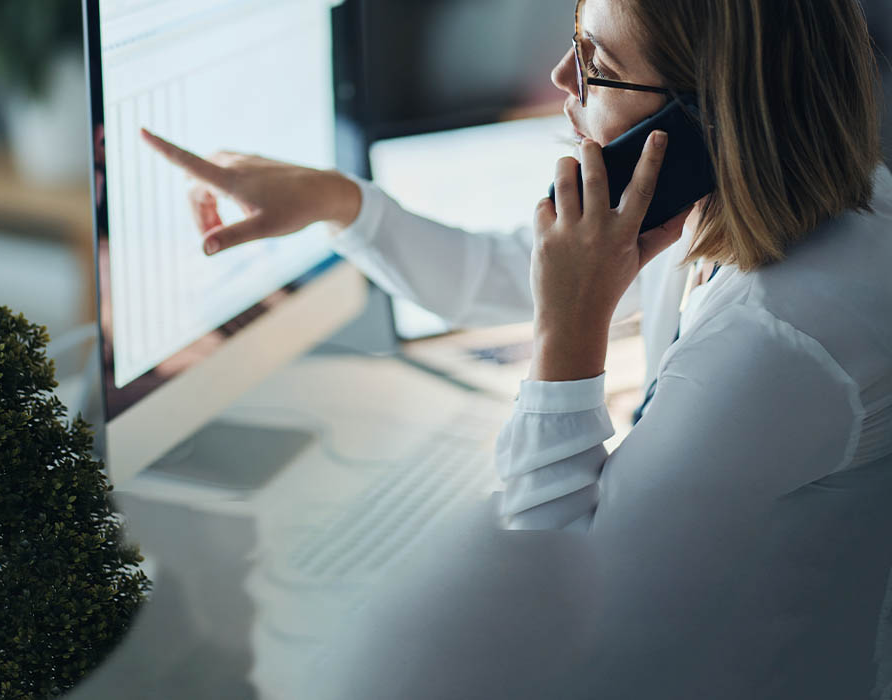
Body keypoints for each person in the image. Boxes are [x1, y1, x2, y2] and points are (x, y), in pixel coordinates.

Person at [141, 0, 892, 696]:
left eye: (593, 59)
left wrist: (569, 335)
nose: (561, 78)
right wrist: (339, 202)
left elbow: (558, 598)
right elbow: (511, 271)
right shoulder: (768, 197)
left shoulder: (783, 340)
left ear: (702, 120)